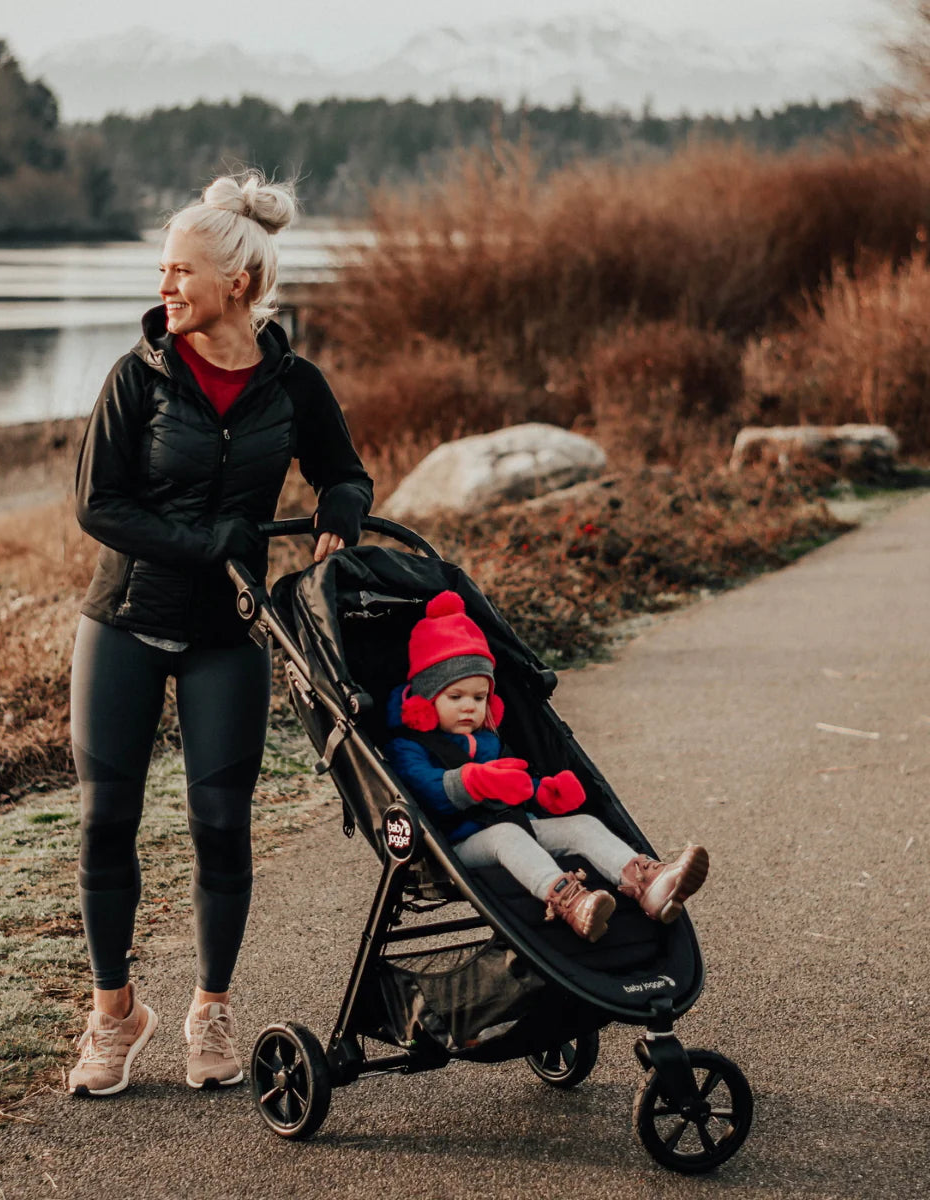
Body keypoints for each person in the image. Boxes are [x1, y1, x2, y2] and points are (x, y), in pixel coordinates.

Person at [67, 172, 373, 1097]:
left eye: (181, 272)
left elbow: (345, 473)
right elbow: (98, 504)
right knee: (105, 821)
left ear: (237, 284)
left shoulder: (293, 383)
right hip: (124, 620)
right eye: (163, 271)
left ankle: (209, 1008)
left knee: (220, 824)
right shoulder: (140, 374)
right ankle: (114, 1014)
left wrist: (342, 513)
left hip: (229, 633)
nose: (166, 288)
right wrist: (206, 541)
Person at [385, 591, 707, 943]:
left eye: (479, 698)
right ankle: (568, 900)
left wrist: (543, 793)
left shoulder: (489, 740)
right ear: (425, 701)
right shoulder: (409, 745)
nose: (469, 708)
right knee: (506, 836)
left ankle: (649, 884)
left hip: (516, 825)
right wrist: (474, 782)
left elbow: (517, 782)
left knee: (581, 824)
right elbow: (423, 789)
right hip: (455, 844)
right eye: (455, 697)